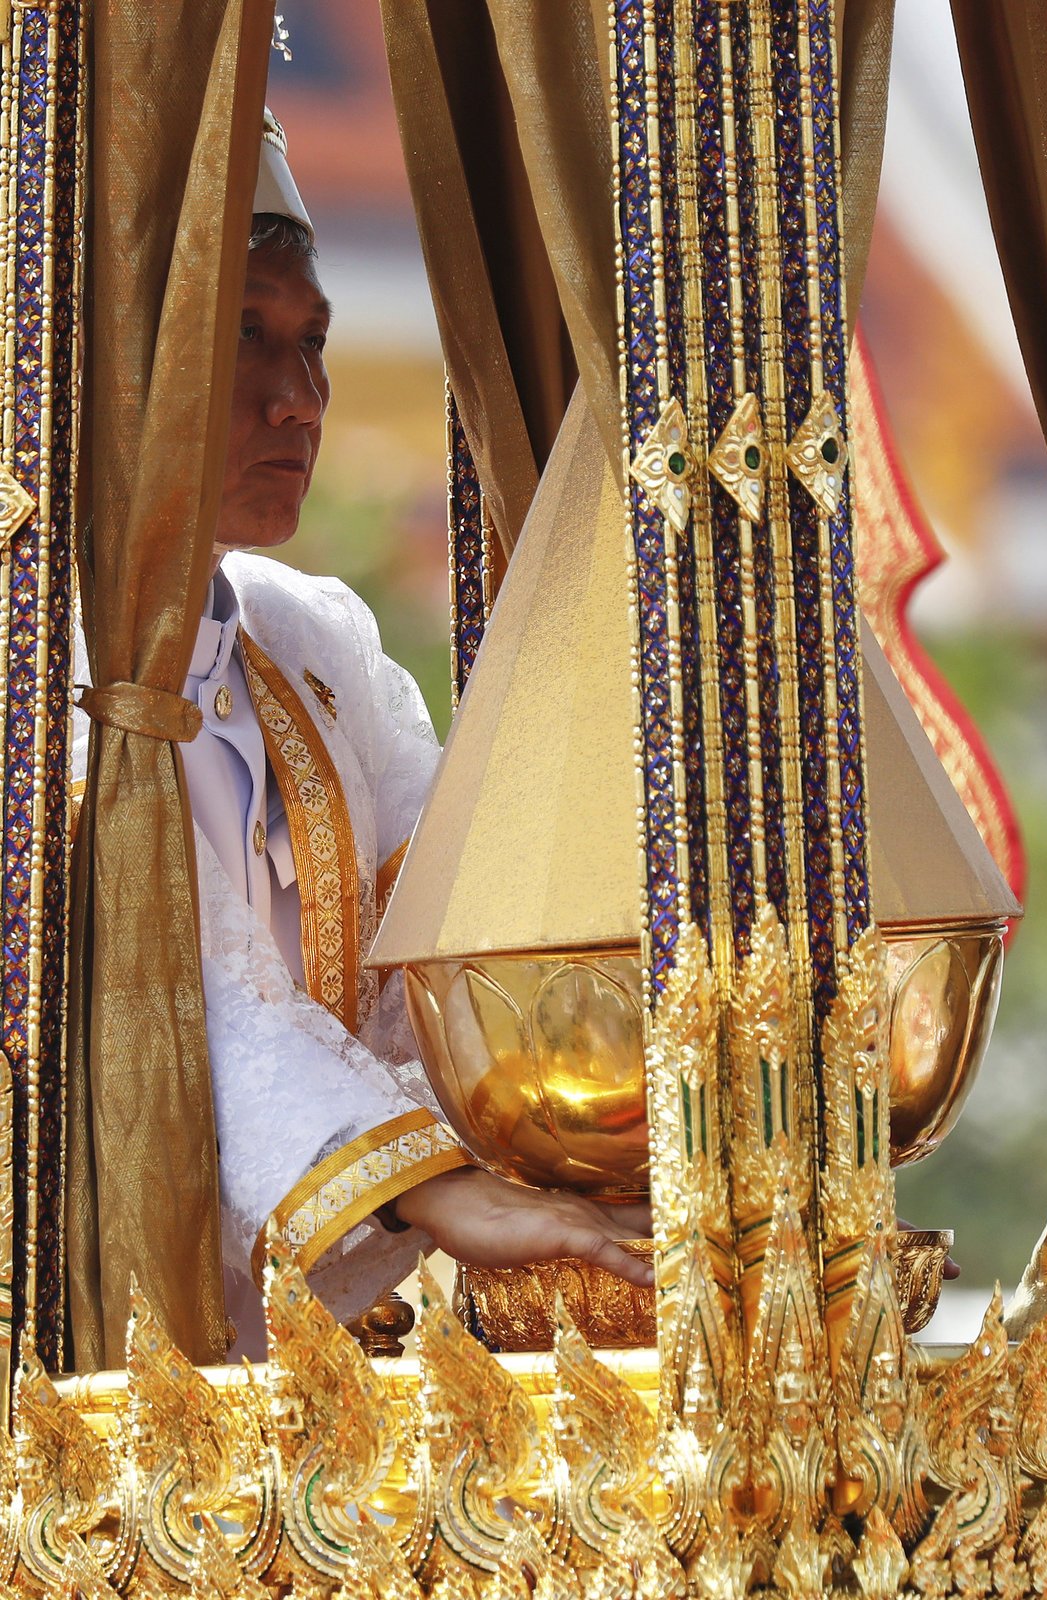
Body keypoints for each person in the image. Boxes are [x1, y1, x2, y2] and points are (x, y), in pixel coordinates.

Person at [74, 111, 651, 1358]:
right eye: (246, 336)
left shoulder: (315, 643)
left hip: (287, 1356)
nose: (301, 400)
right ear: (130, 360)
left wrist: (594, 1138)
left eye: (316, 340)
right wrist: (435, 1188)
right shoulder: (45, 672)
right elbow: (174, 985)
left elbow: (449, 941)